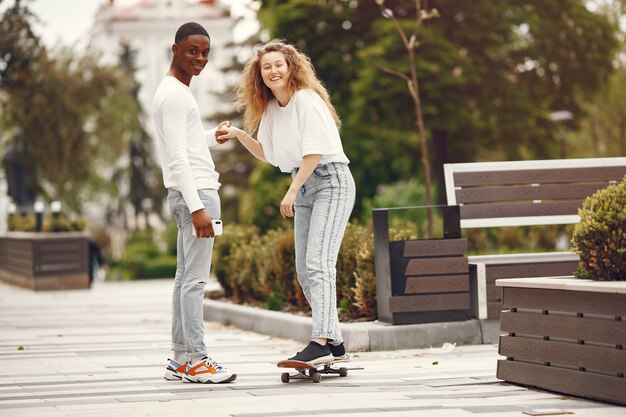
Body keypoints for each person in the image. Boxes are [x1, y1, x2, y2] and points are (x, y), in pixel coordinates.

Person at [217, 40, 356, 365]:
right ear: (260, 75)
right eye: (266, 67)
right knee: (305, 272)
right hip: (305, 184)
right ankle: (335, 342)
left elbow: (315, 151)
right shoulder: (270, 111)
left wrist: (292, 191)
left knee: (319, 265)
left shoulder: (306, 100)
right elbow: (269, 153)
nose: (273, 71)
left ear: (291, 67)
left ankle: (320, 341)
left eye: (278, 64)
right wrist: (239, 135)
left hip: (330, 182)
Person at [152, 22, 235, 384]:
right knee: (196, 281)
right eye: (192, 51)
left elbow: (184, 146)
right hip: (196, 194)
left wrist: (211, 137)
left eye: (204, 52)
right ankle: (198, 360)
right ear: (175, 49)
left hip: (189, 192)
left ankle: (181, 359)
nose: (200, 58)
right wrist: (198, 207)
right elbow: (177, 159)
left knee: (184, 277)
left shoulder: (173, 92)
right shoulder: (175, 95)